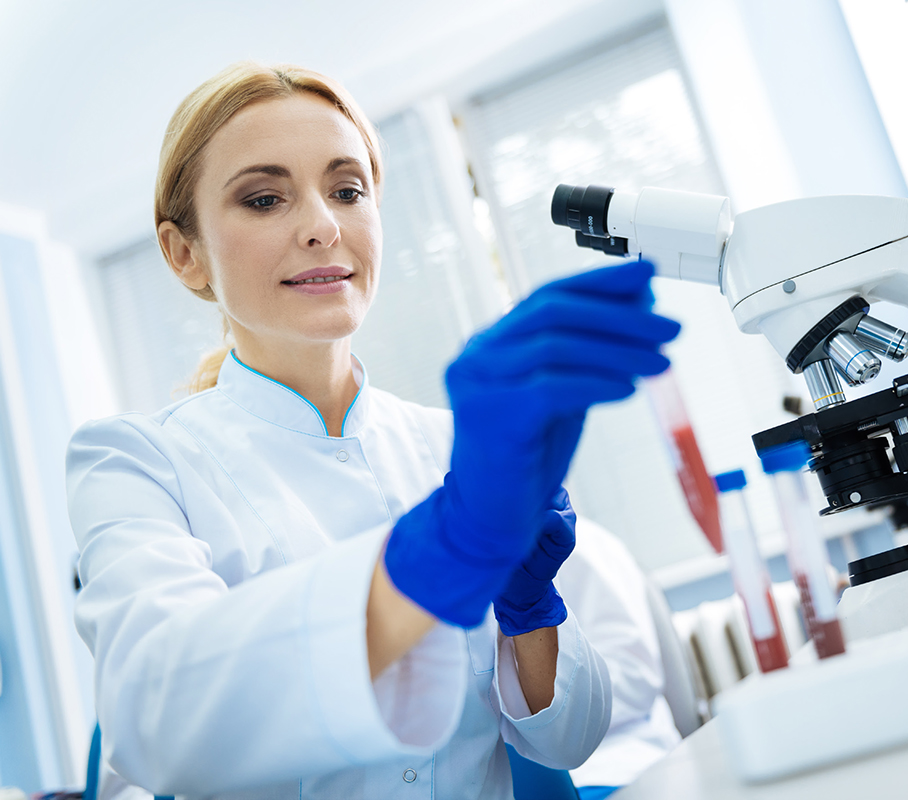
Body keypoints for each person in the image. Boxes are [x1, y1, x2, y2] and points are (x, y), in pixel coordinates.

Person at [66, 62, 680, 799]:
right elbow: (156, 718)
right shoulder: (137, 461)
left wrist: (530, 608)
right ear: (183, 252)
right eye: (263, 199)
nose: (324, 225)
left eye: (348, 190)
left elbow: (569, 736)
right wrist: (439, 558)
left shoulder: (460, 445)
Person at [557, 519, 683, 799]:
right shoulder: (458, 571)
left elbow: (634, 677)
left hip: (610, 765)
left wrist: (545, 719)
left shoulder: (576, 543)